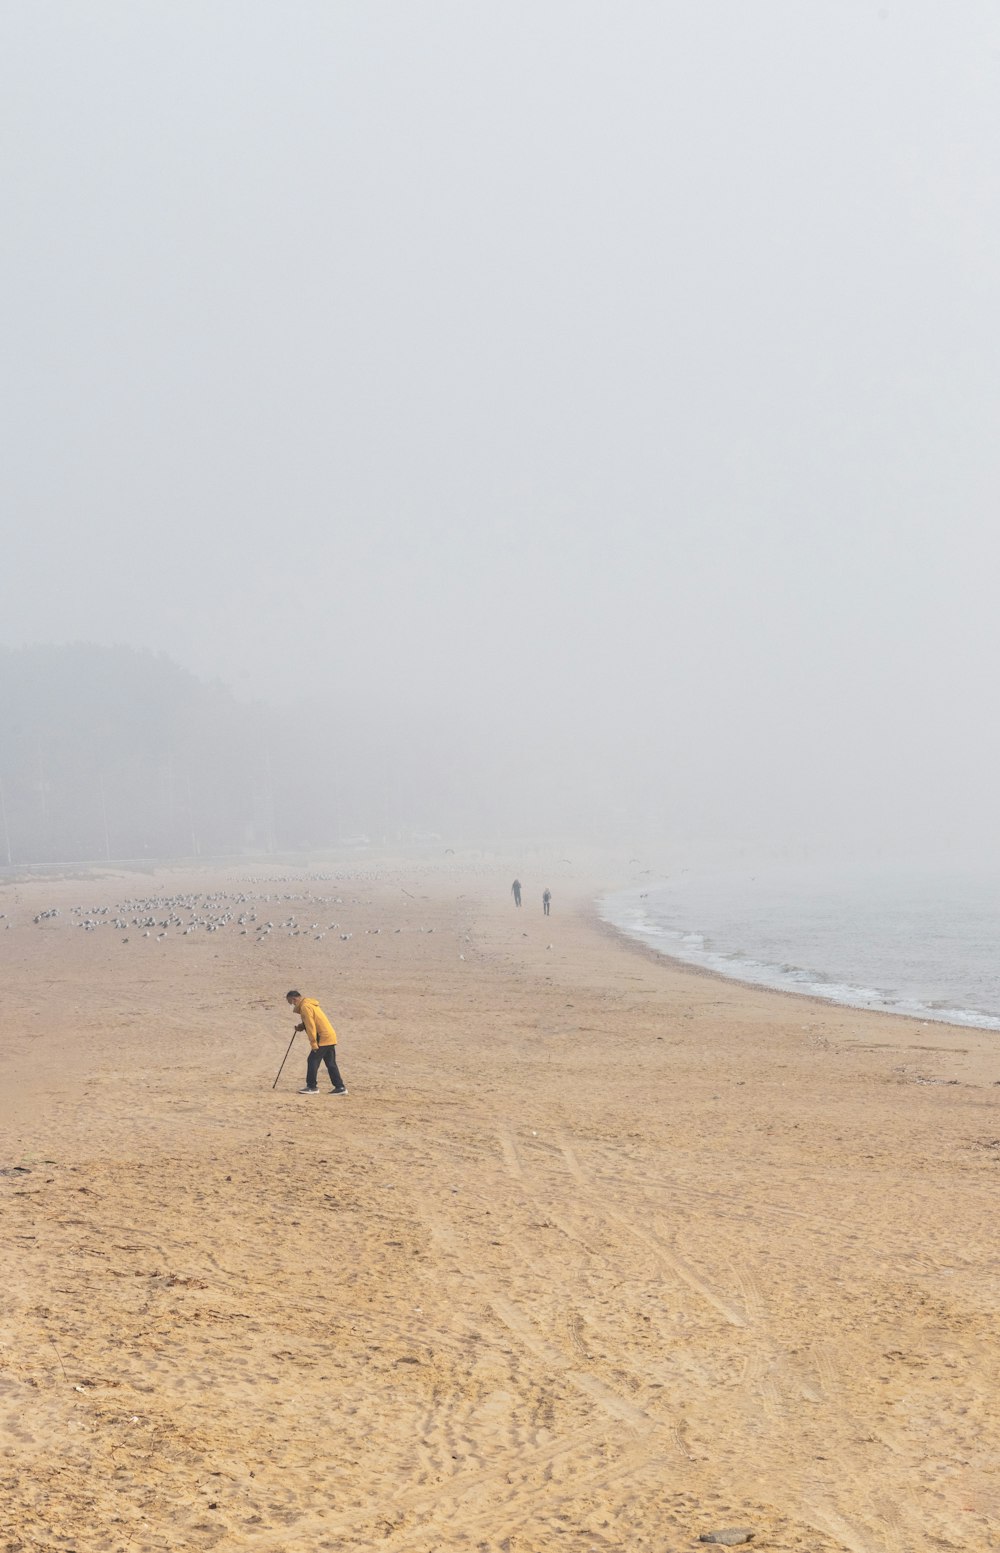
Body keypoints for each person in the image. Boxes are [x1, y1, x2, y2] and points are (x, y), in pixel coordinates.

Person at [286, 989, 348, 1095]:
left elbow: (311, 1027)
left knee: (312, 1060)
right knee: (330, 1063)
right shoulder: (310, 1004)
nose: (291, 1005)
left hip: (322, 1037)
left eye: (290, 1002)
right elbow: (312, 1021)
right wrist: (301, 1027)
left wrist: (313, 1043)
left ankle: (312, 1086)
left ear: (294, 999)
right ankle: (340, 1087)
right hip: (329, 1035)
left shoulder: (305, 1007)